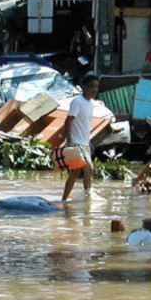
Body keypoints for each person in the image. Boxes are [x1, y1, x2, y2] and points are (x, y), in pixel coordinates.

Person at [61, 73, 101, 203]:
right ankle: (87, 197)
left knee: (75, 172)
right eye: (91, 86)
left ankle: (65, 199)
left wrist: (89, 142)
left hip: (84, 143)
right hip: (76, 143)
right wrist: (70, 142)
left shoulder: (90, 104)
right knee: (88, 168)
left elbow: (85, 125)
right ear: (84, 87)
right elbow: (68, 122)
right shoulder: (77, 101)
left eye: (96, 86)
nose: (94, 89)